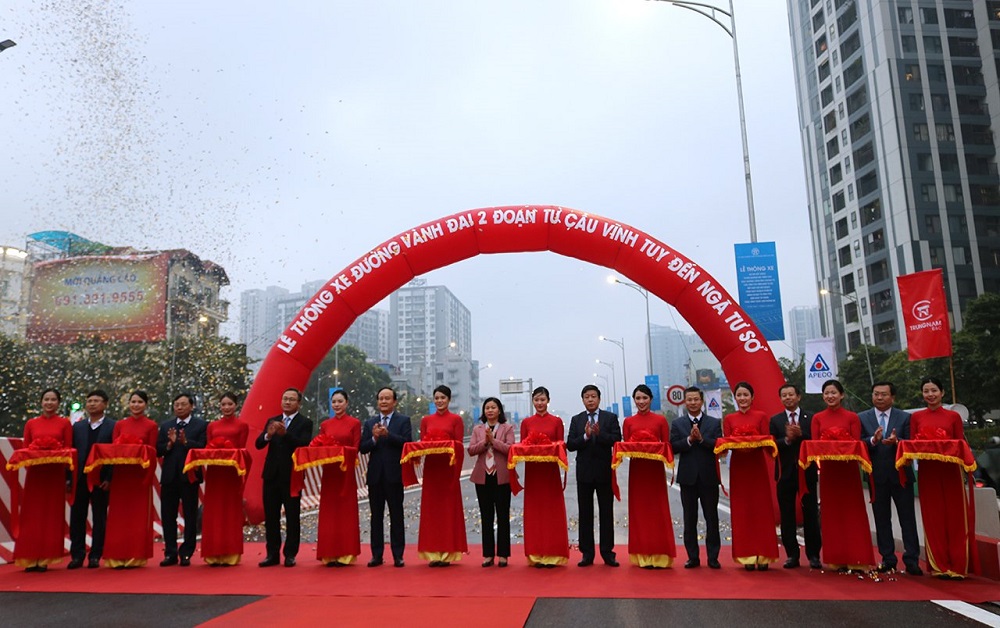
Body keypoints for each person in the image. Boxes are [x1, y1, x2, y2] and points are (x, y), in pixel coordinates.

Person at [909, 377, 975, 579]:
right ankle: (939, 565)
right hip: (928, 472)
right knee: (933, 517)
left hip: (951, 472)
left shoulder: (953, 417)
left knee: (956, 517)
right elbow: (913, 445)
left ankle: (958, 565)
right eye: (926, 391)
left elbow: (960, 444)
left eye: (934, 390)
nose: (930, 394)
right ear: (922, 394)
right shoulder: (916, 417)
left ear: (942, 392)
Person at [809, 379, 874, 571]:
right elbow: (815, 445)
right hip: (829, 472)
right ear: (823, 396)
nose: (830, 396)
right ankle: (836, 558)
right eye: (826, 393)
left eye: (833, 393)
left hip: (849, 471)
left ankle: (857, 558)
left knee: (853, 512)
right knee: (832, 513)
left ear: (842, 395)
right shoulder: (817, 418)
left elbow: (856, 444)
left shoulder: (852, 417)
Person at [859, 381, 922, 575]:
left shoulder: (905, 417)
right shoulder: (862, 418)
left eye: (884, 394)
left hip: (901, 475)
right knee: (881, 519)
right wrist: (873, 440)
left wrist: (898, 442)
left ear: (892, 397)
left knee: (907, 519)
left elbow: (912, 444)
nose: (879, 397)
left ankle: (911, 559)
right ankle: (888, 559)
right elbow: (858, 444)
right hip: (876, 476)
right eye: (876, 394)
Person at [13, 389, 73, 572]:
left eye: (53, 399)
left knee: (50, 515)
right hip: (35, 476)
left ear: (58, 403)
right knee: (31, 515)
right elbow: (25, 449)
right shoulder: (31, 423)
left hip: (55, 475)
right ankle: (30, 557)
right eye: (46, 399)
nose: (49, 402)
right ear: (41, 402)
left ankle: (45, 557)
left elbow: (69, 449)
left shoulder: (65, 424)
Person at [722, 381, 778, 571]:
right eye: (739, 395)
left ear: (752, 397)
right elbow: (726, 443)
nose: (742, 398)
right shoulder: (729, 419)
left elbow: (767, 441)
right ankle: (746, 555)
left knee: (761, 511)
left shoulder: (761, 416)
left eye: (746, 395)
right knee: (742, 511)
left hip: (757, 468)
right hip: (739, 469)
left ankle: (764, 555)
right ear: (735, 398)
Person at [255, 387, 313, 568]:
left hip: (292, 476)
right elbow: (258, 444)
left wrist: (285, 435)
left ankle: (290, 554)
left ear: (299, 403)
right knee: (271, 517)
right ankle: (272, 554)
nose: (287, 402)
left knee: (292, 516)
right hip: (271, 475)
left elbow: (304, 444)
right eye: (285, 399)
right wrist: (268, 435)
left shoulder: (305, 422)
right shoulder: (272, 420)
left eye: (291, 399)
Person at [621, 384, 675, 569]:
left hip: (655, 472)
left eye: (644, 398)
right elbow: (627, 446)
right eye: (638, 398)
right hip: (637, 472)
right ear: (634, 401)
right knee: (639, 511)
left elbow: (667, 446)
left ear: (651, 399)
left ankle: (661, 555)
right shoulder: (628, 422)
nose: (641, 401)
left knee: (657, 510)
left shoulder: (660, 420)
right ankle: (642, 554)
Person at [567, 384, 621, 567]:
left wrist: (600, 434)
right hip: (584, 473)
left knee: (606, 513)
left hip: (604, 471)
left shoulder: (610, 418)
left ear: (599, 398)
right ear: (582, 400)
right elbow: (570, 444)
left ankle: (607, 553)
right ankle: (587, 554)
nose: (590, 400)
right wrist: (586, 436)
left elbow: (617, 439)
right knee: (585, 513)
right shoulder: (577, 420)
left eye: (593, 396)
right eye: (587, 397)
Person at [104, 390, 159, 569]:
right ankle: (116, 556)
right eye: (133, 402)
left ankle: (135, 556)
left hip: (139, 476)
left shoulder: (151, 425)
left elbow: (152, 451)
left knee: (137, 516)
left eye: (140, 402)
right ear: (129, 404)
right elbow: (113, 451)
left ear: (146, 405)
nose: (136, 405)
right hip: (121, 476)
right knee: (118, 516)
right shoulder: (120, 425)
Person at [769, 383, 821, 569]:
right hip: (785, 474)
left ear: (798, 397)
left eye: (791, 394)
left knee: (811, 514)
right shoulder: (776, 420)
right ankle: (792, 555)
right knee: (787, 515)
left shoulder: (811, 418)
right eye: (784, 395)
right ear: (780, 399)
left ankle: (814, 555)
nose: (788, 398)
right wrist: (787, 439)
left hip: (807, 472)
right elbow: (771, 445)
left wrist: (801, 435)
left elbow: (816, 441)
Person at [669, 386, 722, 569]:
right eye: (689, 400)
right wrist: (689, 440)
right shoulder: (678, 424)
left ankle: (713, 557)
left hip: (709, 477)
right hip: (688, 478)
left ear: (702, 401)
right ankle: (693, 557)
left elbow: (719, 445)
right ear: (685, 402)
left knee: (711, 518)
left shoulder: (714, 423)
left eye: (696, 399)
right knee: (689, 518)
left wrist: (701, 440)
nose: (693, 403)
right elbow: (673, 447)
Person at [416, 385, 468, 566]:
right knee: (431, 512)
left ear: (449, 400)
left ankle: (447, 553)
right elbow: (423, 444)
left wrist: (445, 446)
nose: (439, 401)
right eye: (437, 398)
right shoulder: (426, 420)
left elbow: (459, 445)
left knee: (447, 511)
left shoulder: (456, 420)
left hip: (448, 470)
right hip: (431, 471)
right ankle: (432, 553)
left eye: (443, 398)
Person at [360, 386, 412, 568]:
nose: (383, 401)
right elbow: (362, 448)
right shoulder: (370, 423)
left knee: (396, 516)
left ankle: (398, 555)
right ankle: (377, 555)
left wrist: (388, 435)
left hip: (394, 475)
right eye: (381, 398)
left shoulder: (403, 421)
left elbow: (407, 443)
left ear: (394, 401)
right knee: (376, 517)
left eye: (387, 398)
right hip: (375, 476)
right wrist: (374, 438)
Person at [519, 386, 569, 568]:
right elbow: (522, 446)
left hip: (550, 473)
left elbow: (561, 446)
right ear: (533, 401)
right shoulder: (526, 423)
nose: (540, 403)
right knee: (535, 513)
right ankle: (536, 554)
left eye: (543, 400)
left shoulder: (556, 421)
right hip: (533, 474)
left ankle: (553, 554)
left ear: (548, 401)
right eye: (536, 400)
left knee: (552, 512)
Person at [156, 393, 207, 567]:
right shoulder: (166, 426)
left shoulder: (201, 425)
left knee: (190, 515)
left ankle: (186, 553)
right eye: (177, 404)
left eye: (183, 404)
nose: (179, 407)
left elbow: (203, 448)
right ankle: (170, 553)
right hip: (169, 477)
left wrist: (186, 442)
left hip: (189, 476)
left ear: (191, 406)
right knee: (168, 516)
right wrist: (169, 444)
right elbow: (158, 450)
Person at [68, 389, 117, 570]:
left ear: (105, 404)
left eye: (96, 401)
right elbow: (71, 453)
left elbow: (115, 454)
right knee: (77, 517)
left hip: (101, 479)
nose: (92, 404)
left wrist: (109, 477)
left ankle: (96, 555)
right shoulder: (77, 427)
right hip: (80, 477)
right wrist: (69, 478)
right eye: (89, 401)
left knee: (99, 518)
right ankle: (77, 555)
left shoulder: (113, 426)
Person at [201, 392, 250, 566]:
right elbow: (208, 449)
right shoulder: (212, 426)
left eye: (230, 404)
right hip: (215, 473)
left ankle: (231, 553)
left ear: (236, 405)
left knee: (230, 510)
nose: (226, 407)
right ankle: (213, 553)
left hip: (231, 473)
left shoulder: (242, 425)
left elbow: (242, 450)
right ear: (220, 406)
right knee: (214, 510)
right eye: (223, 404)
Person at [316, 389, 361, 567]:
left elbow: (355, 448)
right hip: (329, 473)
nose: (336, 405)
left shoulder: (354, 423)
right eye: (334, 402)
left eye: (340, 401)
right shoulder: (325, 424)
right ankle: (329, 553)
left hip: (346, 472)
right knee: (329, 512)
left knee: (345, 512)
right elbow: (320, 446)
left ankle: (346, 554)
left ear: (347, 403)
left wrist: (340, 452)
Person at [468, 396, 515, 567]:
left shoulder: (507, 428)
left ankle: (503, 555)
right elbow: (471, 450)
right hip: (483, 478)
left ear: (499, 410)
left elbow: (511, 449)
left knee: (503, 516)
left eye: (493, 407)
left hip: (501, 477)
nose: (490, 410)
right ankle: (488, 554)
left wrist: (493, 442)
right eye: (487, 408)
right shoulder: (478, 429)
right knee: (486, 517)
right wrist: (485, 442)